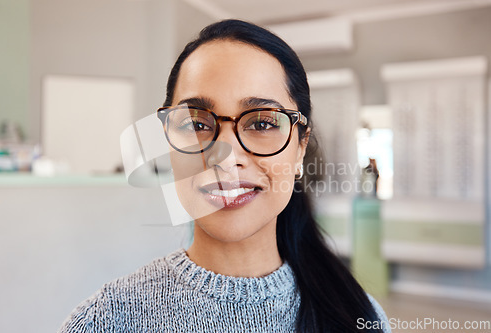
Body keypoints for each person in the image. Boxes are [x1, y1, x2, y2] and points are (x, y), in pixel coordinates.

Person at [58, 19, 392, 333]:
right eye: (197, 124)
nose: (226, 159)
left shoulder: (358, 315)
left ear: (301, 146)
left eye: (262, 123)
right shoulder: (105, 321)